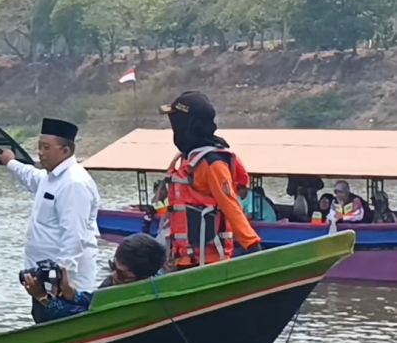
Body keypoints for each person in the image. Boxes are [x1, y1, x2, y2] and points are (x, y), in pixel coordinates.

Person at [0, 118, 101, 323]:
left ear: (65, 151)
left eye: (46, 147)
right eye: (39, 147)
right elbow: (31, 176)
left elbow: (74, 237)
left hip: (65, 287)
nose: (40, 152)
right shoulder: (51, 177)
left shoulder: (74, 183)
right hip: (43, 282)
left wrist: (61, 282)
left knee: (65, 333)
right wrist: (11, 162)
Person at [157, 92, 261, 270]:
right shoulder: (189, 158)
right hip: (184, 259)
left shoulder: (212, 163)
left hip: (209, 261)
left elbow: (230, 205)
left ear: (187, 125)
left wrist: (253, 246)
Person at [24, 234, 166, 323]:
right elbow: (95, 301)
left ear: (143, 278)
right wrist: (72, 293)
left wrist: (44, 299)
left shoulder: (137, 297)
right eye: (112, 266)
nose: (114, 275)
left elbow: (85, 319)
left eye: (122, 274)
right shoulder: (119, 283)